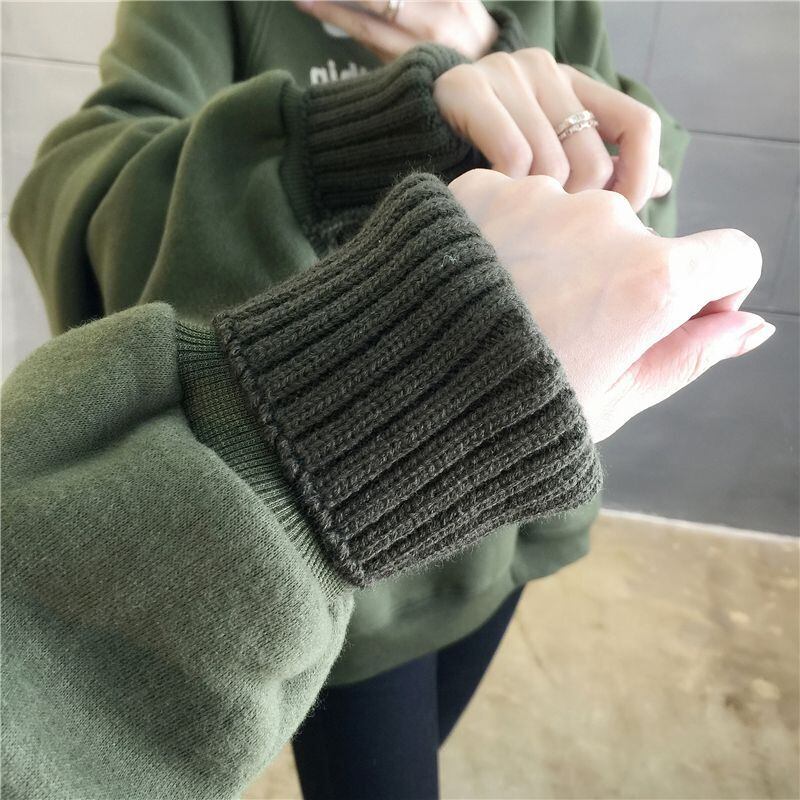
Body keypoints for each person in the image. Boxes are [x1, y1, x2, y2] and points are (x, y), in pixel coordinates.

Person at [2, 2, 772, 797]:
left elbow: (636, 225)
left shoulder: (549, 8)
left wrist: (484, 53)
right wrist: (361, 134)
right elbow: (87, 192)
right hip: (339, 552)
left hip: (510, 519)